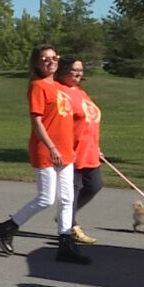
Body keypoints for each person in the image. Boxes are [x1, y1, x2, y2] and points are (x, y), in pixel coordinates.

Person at [0, 44, 90, 264]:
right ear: (37, 63)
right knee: (46, 198)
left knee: (67, 199)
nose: (51, 61)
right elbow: (37, 121)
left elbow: (71, 119)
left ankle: (65, 245)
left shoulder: (59, 87)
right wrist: (52, 147)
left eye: (54, 57)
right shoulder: (38, 87)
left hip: (66, 151)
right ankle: (8, 227)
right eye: (45, 58)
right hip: (47, 150)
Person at [57, 56, 104, 246]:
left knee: (94, 185)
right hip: (72, 151)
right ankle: (70, 227)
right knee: (73, 191)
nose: (78, 73)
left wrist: (96, 145)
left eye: (81, 70)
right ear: (63, 71)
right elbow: (59, 123)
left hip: (89, 150)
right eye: (74, 69)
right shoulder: (60, 92)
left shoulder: (80, 92)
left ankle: (68, 217)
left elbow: (89, 120)